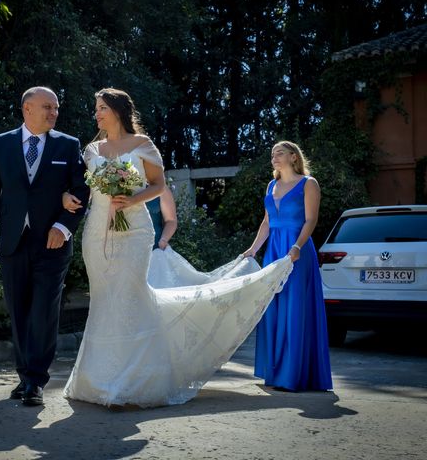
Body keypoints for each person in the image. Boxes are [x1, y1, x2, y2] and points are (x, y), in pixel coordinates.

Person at [62, 88, 293, 407]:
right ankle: (96, 381)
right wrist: (65, 197)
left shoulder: (144, 146)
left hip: (134, 232)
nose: (96, 114)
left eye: (101, 108)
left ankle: (133, 384)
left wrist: (132, 198)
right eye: (96, 108)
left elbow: (157, 186)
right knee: (103, 299)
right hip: (98, 231)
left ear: (117, 111)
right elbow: (78, 187)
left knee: (130, 295)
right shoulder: (91, 150)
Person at [0, 86, 90, 406]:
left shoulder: (68, 146)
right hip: (13, 243)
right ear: (27, 109)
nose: (54, 113)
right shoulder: (3, 143)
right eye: (47, 107)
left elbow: (82, 191)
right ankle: (25, 375)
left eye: (56, 108)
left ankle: (35, 381)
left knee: (43, 311)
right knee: (19, 311)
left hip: (52, 245)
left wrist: (63, 227)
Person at [243, 140, 333, 392]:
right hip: (273, 252)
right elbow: (267, 222)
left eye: (279, 153)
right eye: (272, 154)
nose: (274, 157)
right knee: (273, 309)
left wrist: (296, 247)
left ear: (294, 157)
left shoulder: (308, 183)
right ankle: (275, 373)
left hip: (297, 251)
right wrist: (253, 249)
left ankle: (293, 375)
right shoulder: (271, 185)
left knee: (294, 309)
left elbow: (311, 219)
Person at [145, 186, 177, 250]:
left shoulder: (161, 188)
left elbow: (171, 220)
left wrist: (164, 239)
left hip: (155, 245)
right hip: (125, 243)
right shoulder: (122, 187)